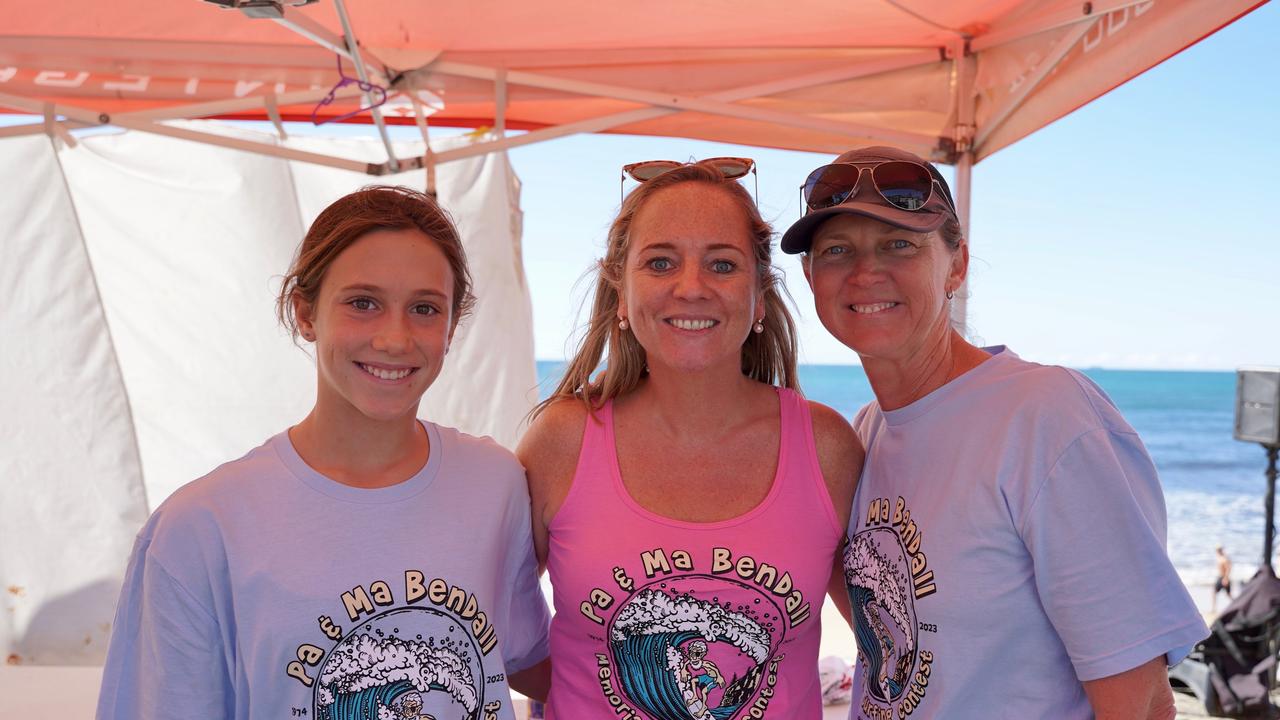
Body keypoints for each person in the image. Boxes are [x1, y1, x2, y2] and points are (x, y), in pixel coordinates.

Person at [781, 146, 1208, 720]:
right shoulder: (868, 429)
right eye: (838, 250)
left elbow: (1145, 705)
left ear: (956, 265)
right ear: (811, 277)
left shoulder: (1046, 418)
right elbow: (901, 647)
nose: (865, 271)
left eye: (899, 244)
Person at [96, 186, 550, 720]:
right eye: (363, 303)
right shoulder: (199, 529)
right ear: (305, 313)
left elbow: (533, 664)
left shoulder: (493, 483)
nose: (394, 338)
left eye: (425, 308)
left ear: (451, 328)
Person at [518, 159, 863, 719]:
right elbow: (498, 630)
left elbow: (887, 645)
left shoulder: (827, 447)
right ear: (620, 289)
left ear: (758, 295)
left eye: (722, 264)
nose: (692, 288)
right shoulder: (563, 440)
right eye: (660, 262)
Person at [1213, 545, 1233, 612]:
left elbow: (1228, 569)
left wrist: (1225, 578)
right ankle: (1214, 608)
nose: (1217, 552)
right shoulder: (1220, 558)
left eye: (1218, 550)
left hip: (1223, 578)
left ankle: (1236, 605)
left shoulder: (1224, 558)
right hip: (1221, 577)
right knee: (1214, 592)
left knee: (1228, 594)